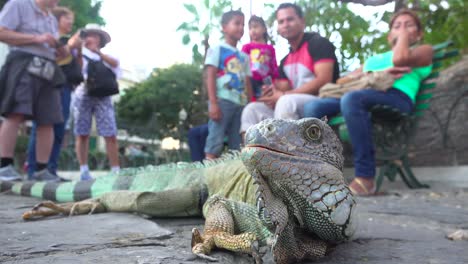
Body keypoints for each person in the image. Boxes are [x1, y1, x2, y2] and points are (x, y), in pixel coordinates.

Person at [303, 9, 433, 195]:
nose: (402, 28)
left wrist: (402, 36)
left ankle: (365, 177)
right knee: (313, 106)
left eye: (408, 25)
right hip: (362, 94)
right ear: (389, 35)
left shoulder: (423, 50)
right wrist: (370, 75)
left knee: (352, 98)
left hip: (397, 97)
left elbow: (400, 58)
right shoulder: (375, 59)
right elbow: (342, 82)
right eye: (397, 26)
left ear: (419, 34)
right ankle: (316, 173)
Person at [240, 2, 339, 135]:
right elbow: (283, 87)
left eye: (290, 19)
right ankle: (252, 154)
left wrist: (284, 95)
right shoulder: (285, 60)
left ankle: (289, 154)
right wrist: (271, 91)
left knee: (285, 101)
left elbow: (324, 79)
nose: (285, 24)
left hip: (322, 97)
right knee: (251, 109)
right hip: (293, 104)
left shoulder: (317, 43)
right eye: (281, 21)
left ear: (302, 21)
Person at [0, 0, 65, 181]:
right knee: (15, 112)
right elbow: (2, 32)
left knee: (48, 119)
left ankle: (41, 170)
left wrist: (59, 48)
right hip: (23, 61)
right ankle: (4, 166)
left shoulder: (51, 18)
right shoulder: (18, 4)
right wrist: (37, 39)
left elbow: (58, 51)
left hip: (48, 68)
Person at [26, 6, 81, 179]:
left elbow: (78, 68)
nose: (70, 22)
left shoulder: (68, 41)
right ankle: (34, 169)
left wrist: (77, 50)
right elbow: (50, 58)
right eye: (67, 18)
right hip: (48, 83)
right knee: (42, 125)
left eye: (71, 19)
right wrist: (70, 44)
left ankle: (51, 169)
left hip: (65, 86)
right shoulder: (50, 35)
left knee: (58, 129)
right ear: (56, 19)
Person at [71, 23, 121, 180]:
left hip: (103, 96)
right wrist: (80, 48)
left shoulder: (107, 56)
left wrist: (97, 53)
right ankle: (84, 170)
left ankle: (115, 170)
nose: (90, 38)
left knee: (110, 133)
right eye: (87, 35)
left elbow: (116, 65)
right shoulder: (78, 53)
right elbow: (76, 71)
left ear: (100, 38)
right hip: (83, 95)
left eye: (93, 34)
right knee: (82, 133)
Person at [204, 10, 252, 160]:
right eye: (236, 23)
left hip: (241, 105)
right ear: (224, 27)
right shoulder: (217, 49)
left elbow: (247, 81)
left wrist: (250, 105)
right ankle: (206, 178)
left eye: (243, 24)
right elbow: (210, 75)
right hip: (223, 101)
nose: (241, 28)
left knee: (237, 146)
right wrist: (213, 103)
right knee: (215, 140)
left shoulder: (244, 57)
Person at [241, 15, 278, 101]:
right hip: (251, 80)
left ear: (264, 29)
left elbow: (274, 66)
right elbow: (242, 64)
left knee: (267, 99)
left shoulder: (270, 48)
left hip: (266, 81)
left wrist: (275, 80)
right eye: (250, 28)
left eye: (256, 27)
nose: (253, 30)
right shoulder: (247, 47)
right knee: (252, 101)